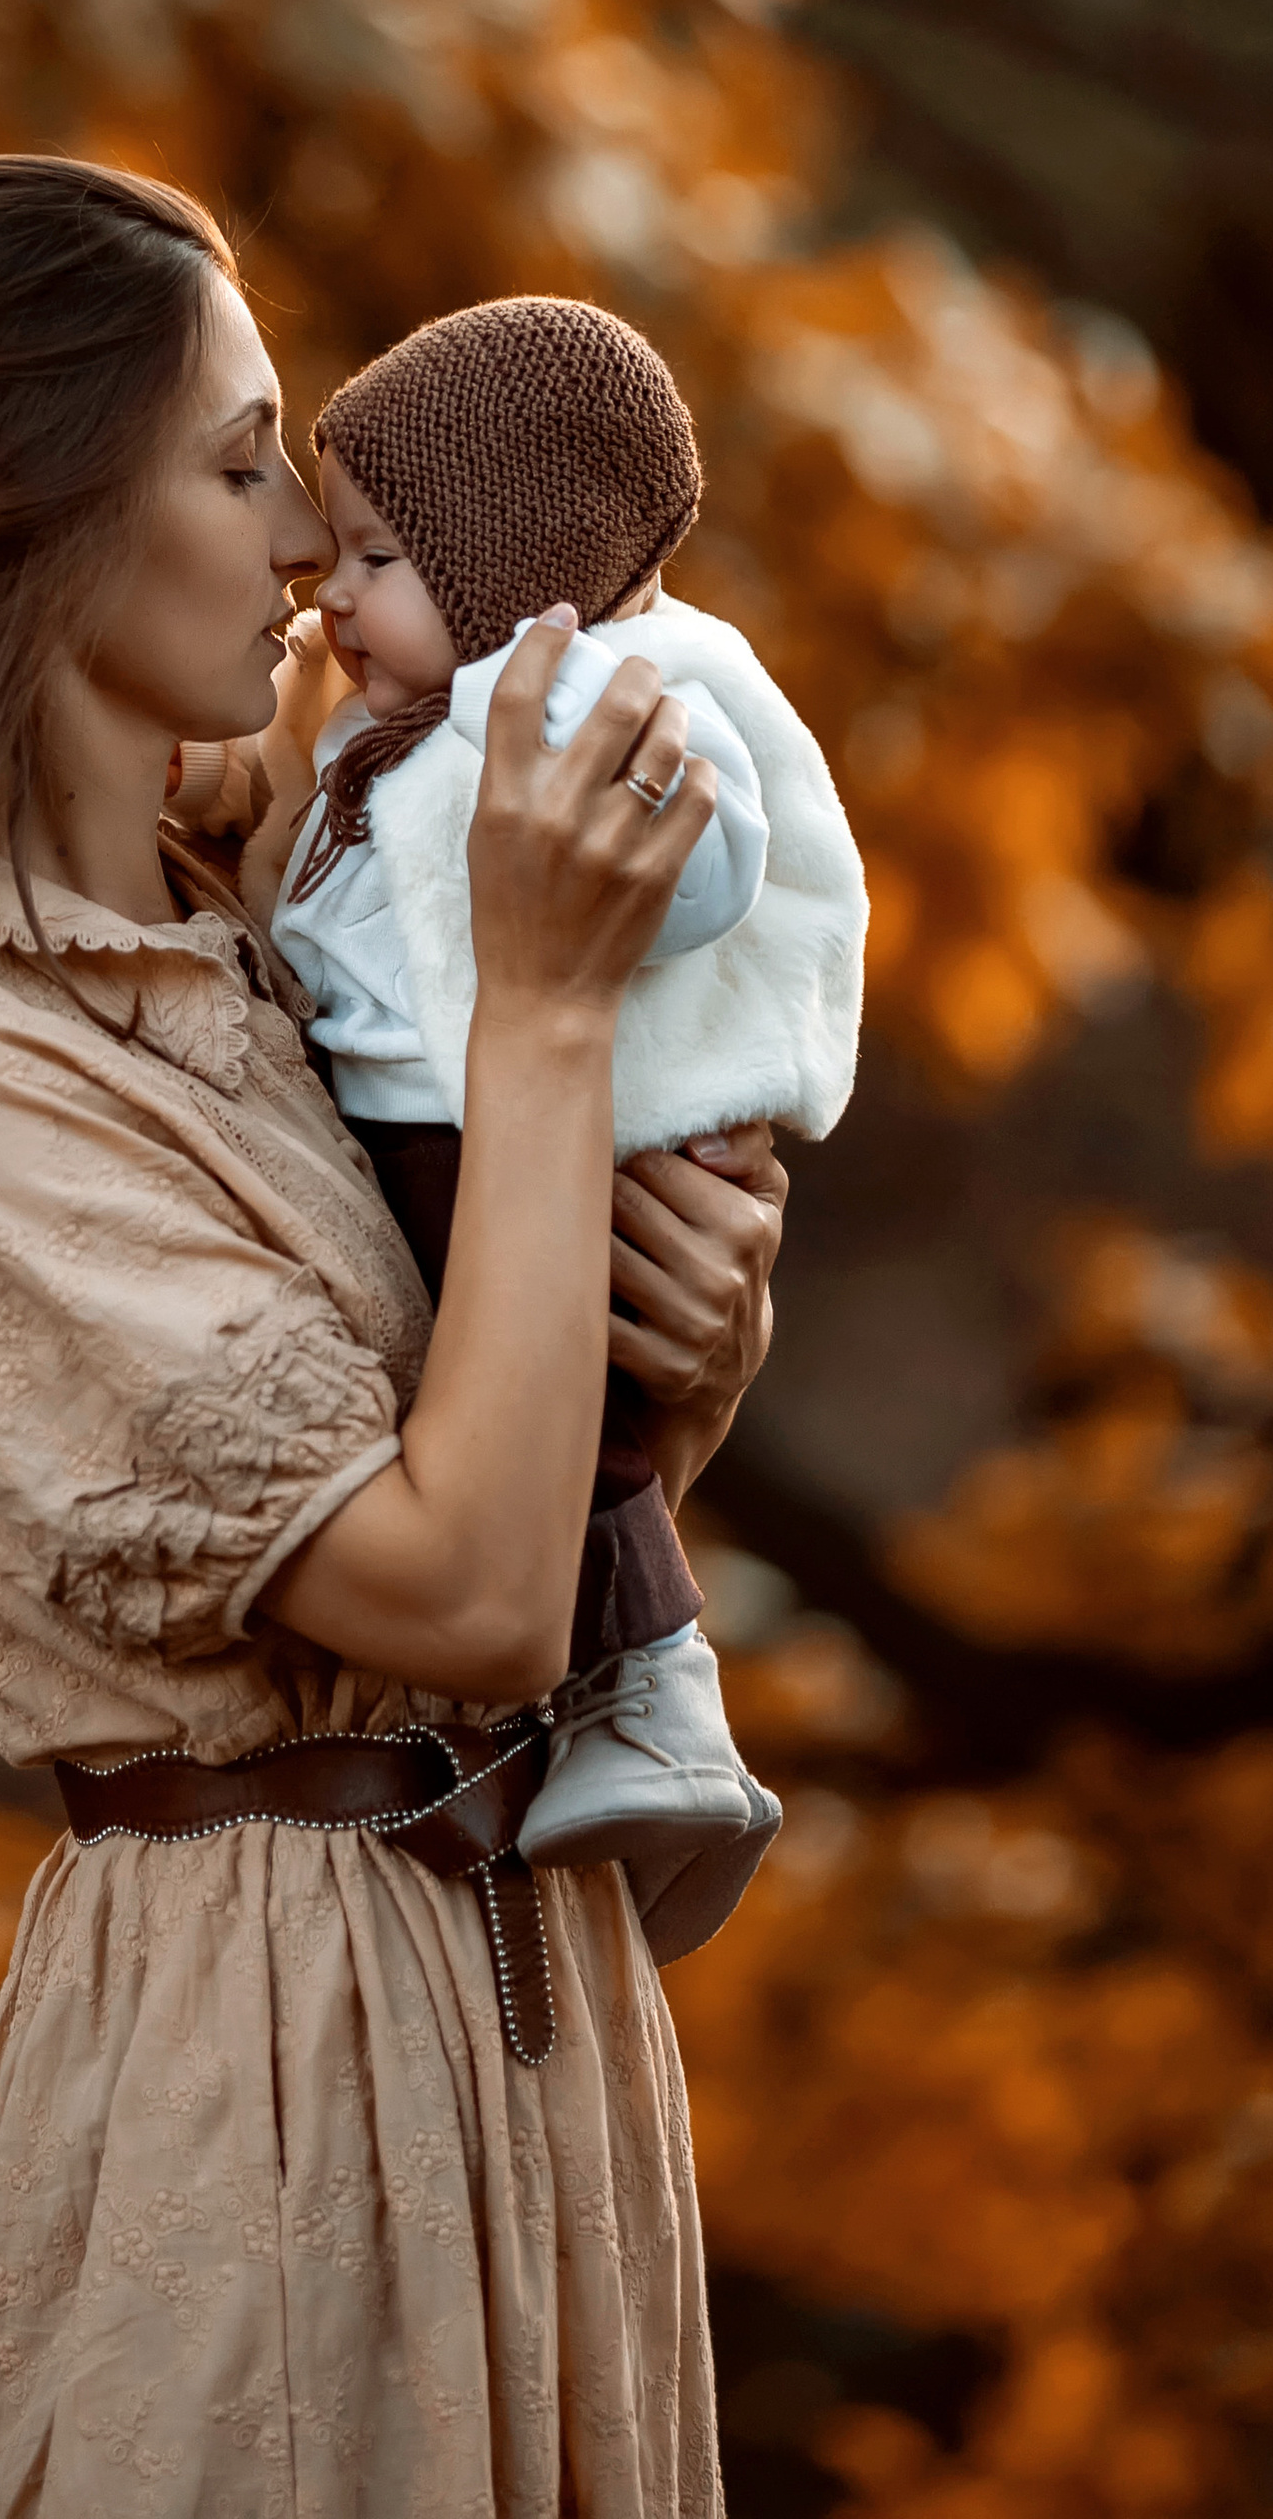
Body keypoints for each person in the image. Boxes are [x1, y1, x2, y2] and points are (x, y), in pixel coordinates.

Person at [0, 156, 786, 2519]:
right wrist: (541, 1018)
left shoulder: (270, 949)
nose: (305, 553)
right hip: (269, 2062)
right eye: (240, 470)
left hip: (529, 2021)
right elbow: (449, 1592)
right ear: (18, 513)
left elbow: (517, 1573)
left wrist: (683, 1393)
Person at [177, 298, 866, 1963]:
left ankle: (661, 1693)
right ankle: (644, 1694)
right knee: (512, 1389)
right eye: (240, 472)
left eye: (373, 555)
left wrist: (563, 933)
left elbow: (682, 861)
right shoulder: (369, 742)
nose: (312, 575)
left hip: (533, 1136)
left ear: (510, 562)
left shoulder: (593, 700)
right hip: (468, 1131)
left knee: (569, 1398)